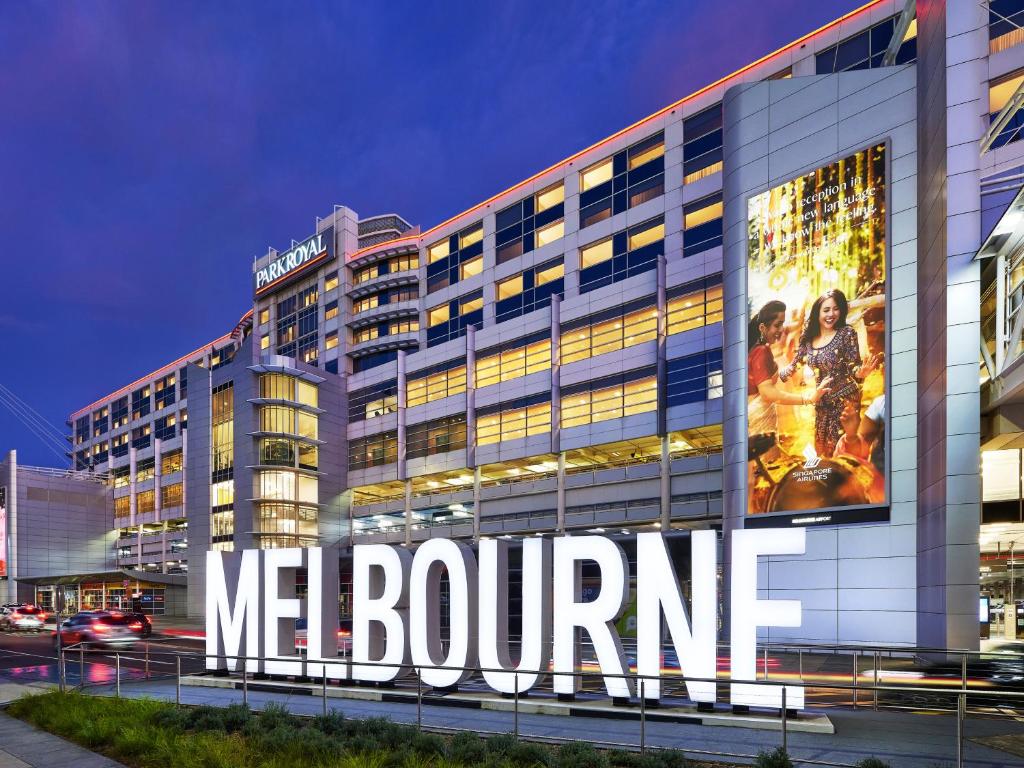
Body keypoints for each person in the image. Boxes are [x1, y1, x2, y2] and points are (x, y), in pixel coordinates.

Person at [780, 289, 880, 457]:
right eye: (826, 310)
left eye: (836, 309)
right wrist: (773, 376)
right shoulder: (808, 339)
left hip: (846, 399)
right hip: (822, 403)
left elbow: (853, 366)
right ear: (817, 312)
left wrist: (860, 373)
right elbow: (793, 366)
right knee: (823, 454)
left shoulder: (846, 333)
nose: (831, 314)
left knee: (843, 453)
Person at [747, 300, 831, 440]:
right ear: (762, 327)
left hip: (761, 411)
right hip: (760, 414)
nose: (781, 329)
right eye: (777, 325)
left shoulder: (757, 348)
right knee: (767, 457)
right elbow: (768, 394)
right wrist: (808, 398)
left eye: (782, 324)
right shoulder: (760, 351)